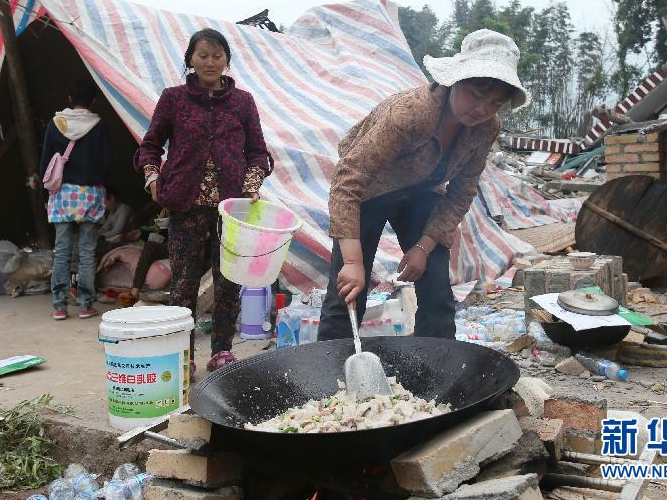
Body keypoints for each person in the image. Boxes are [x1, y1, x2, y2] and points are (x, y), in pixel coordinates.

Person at [317, 29, 528, 341]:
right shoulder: (411, 113)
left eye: (494, 102)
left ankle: (437, 367)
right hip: (369, 189)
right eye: (476, 95)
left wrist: (422, 247)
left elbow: (462, 191)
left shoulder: (486, 127)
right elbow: (347, 181)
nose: (482, 109)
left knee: (437, 289)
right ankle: (330, 373)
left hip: (422, 192)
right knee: (349, 290)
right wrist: (352, 261)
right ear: (455, 81)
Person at [134, 28, 273, 373]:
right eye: (203, 56)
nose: (210, 62)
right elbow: (149, 145)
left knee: (228, 280)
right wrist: (152, 176)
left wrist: (252, 184)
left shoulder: (242, 102)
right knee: (184, 283)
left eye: (217, 55)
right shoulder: (173, 99)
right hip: (185, 204)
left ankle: (222, 351)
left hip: (233, 209)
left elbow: (258, 152)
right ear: (190, 61)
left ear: (227, 60)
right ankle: (184, 354)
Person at [40, 78, 113, 320]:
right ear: (93, 101)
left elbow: (45, 163)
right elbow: (106, 163)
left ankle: (59, 306)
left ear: (70, 99)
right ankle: (85, 305)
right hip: (90, 193)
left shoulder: (56, 123)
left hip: (62, 194)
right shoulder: (99, 125)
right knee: (87, 252)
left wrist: (45, 193)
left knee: (62, 251)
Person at [96, 188, 138, 258]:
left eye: (104, 202)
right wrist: (98, 233)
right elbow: (106, 226)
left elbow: (118, 231)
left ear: (112, 198)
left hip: (128, 239)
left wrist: (102, 235)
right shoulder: (112, 212)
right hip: (117, 238)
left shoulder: (124, 209)